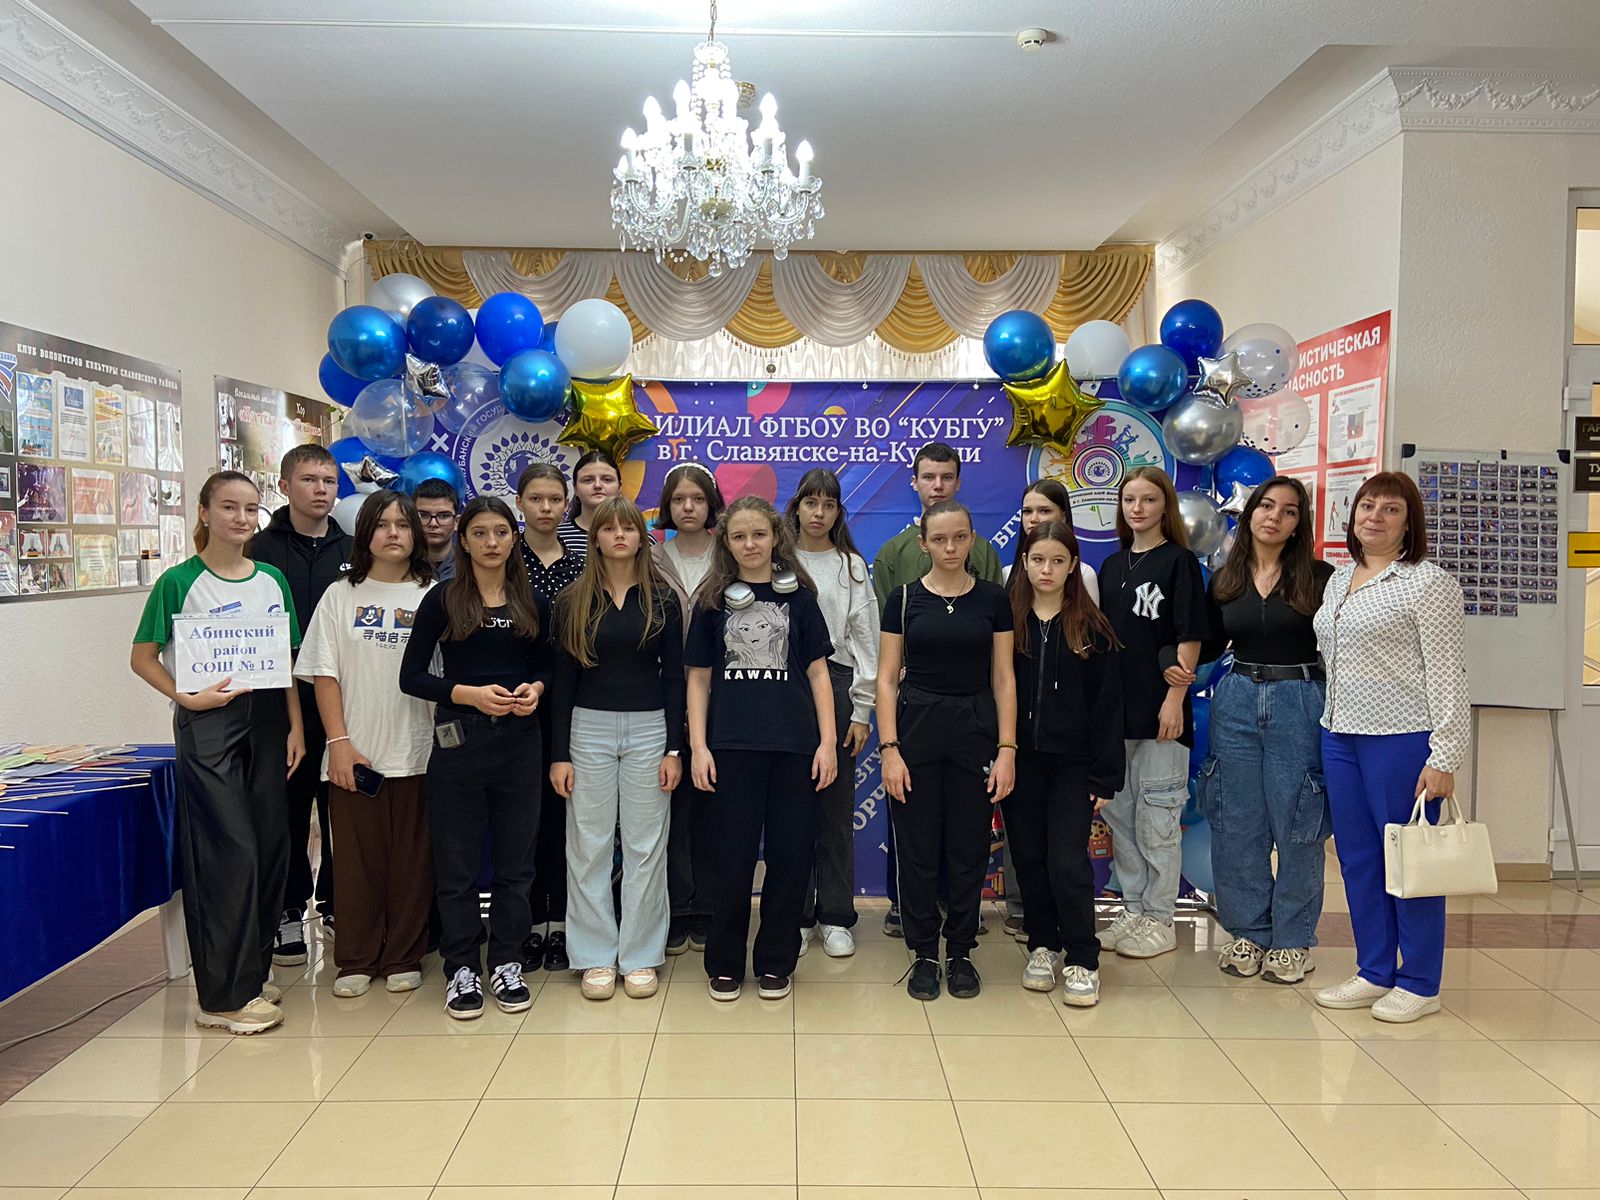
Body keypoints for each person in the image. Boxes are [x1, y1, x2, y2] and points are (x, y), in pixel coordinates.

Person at [130, 471, 305, 1034]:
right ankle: (223, 998)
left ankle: (250, 972)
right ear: (205, 512)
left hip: (268, 720)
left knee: (271, 846)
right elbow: (142, 657)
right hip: (209, 722)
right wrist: (184, 696)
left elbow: (287, 662)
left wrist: (296, 727)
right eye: (229, 507)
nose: (241, 518)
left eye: (251, 508)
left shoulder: (272, 580)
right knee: (227, 851)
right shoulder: (178, 582)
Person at [1311, 471, 1469, 1023]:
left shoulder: (1429, 583)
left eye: (1390, 509)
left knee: (1410, 858)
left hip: (1401, 740)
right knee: (1358, 859)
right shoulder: (1339, 579)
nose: (1374, 516)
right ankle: (1374, 969)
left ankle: (1420, 982)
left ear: (1409, 522)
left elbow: (1449, 674)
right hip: (1340, 735)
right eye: (1367, 506)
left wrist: (1444, 756)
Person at [399, 496, 550, 1019]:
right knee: (457, 865)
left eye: (501, 533)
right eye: (480, 533)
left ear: (514, 539)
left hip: (520, 742)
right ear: (463, 541)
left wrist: (535, 689)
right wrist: (468, 694)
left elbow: (547, 668)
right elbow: (412, 677)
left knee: (516, 864)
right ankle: (461, 966)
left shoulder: (533, 601)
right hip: (458, 741)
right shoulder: (442, 599)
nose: (491, 542)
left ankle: (506, 960)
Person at [1181, 477, 1333, 984]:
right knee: (1235, 821)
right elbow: (1203, 645)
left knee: (1299, 823)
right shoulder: (1226, 578)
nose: (1275, 517)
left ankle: (1292, 941)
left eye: (1288, 511)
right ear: (1250, 515)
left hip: (1300, 699)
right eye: (1266, 506)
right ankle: (1249, 933)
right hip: (1238, 698)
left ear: (1298, 524)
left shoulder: (1322, 578)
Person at [686, 496, 837, 1002]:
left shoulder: (801, 600)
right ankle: (725, 962)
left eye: (759, 534)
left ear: (776, 537)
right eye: (739, 536)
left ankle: (776, 961)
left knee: (790, 859)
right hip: (731, 749)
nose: (750, 544)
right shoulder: (711, 602)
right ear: (726, 544)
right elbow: (698, 679)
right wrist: (699, 746)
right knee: (731, 860)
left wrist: (828, 743)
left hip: (795, 749)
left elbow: (819, 674)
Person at [293, 489, 436, 997]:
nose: (393, 533)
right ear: (365, 534)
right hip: (354, 751)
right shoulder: (340, 596)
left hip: (419, 748)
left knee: (412, 862)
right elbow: (323, 673)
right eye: (382, 524)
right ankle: (355, 958)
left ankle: (403, 955)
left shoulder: (433, 594)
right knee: (355, 862)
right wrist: (338, 742)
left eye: (403, 524)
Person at [877, 500, 1017, 1001]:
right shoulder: (903, 599)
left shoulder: (993, 599)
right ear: (924, 544)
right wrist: (889, 749)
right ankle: (923, 953)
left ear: (973, 539)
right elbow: (887, 680)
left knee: (968, 849)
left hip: (975, 729)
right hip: (916, 729)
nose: (950, 548)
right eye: (940, 539)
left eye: (960, 538)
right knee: (917, 850)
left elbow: (1004, 678)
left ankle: (960, 951)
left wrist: (1007, 749)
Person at [550, 497, 684, 1001]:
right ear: (596, 538)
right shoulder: (572, 599)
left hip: (651, 729)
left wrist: (675, 749)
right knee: (589, 845)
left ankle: (641, 954)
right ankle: (593, 955)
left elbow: (674, 678)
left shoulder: (662, 599)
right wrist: (559, 754)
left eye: (629, 528)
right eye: (610, 529)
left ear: (641, 538)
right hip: (588, 730)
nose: (620, 536)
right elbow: (562, 682)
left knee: (646, 845)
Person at [870, 442, 1004, 937]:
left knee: (967, 826)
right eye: (929, 477)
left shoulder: (984, 554)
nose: (938, 485)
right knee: (912, 821)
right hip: (915, 704)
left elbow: (994, 632)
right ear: (915, 483)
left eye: (947, 477)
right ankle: (907, 908)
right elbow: (883, 632)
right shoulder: (893, 553)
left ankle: (960, 909)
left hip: (971, 707)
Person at [1005, 520, 1123, 1006]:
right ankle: (1042, 944)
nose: (1046, 570)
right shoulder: (1007, 623)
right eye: (1038, 560)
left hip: (1074, 766)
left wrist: (1105, 774)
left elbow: (1108, 706)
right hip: (1020, 762)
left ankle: (1082, 956)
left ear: (1073, 565)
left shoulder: (1092, 628)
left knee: (1067, 861)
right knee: (1029, 858)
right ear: (1024, 563)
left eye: (1057, 561)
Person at [1095, 467, 1208, 960]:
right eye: (1129, 500)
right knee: (1122, 819)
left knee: (1157, 820)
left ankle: (1160, 918)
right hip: (1116, 717)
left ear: (1165, 506)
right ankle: (1134, 908)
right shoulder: (1111, 565)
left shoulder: (1179, 562)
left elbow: (1189, 636)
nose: (1137, 508)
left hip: (1162, 715)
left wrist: (1174, 700)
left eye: (1148, 499)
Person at [250, 443, 351, 964]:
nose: (320, 490)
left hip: (342, 702)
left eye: (329, 481)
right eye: (310, 480)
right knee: (286, 810)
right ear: (286, 486)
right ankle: (289, 909)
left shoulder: (354, 550)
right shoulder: (258, 551)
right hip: (280, 704)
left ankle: (336, 902)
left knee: (342, 808)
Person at [786, 468, 878, 958]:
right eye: (811, 503)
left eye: (828, 504)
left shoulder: (851, 567)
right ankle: (797, 916)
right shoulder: (779, 561)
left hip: (839, 685)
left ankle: (836, 915)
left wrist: (862, 710)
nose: (819, 513)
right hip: (786, 687)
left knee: (836, 809)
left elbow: (866, 642)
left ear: (839, 512)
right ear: (796, 507)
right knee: (792, 809)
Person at [650, 462, 727, 954]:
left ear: (711, 504)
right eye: (679, 500)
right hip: (662, 692)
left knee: (715, 804)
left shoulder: (731, 553)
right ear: (667, 506)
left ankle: (711, 906)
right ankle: (677, 906)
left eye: (697, 499)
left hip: (724, 695)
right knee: (672, 806)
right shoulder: (651, 556)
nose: (688, 507)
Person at [515, 463, 586, 974]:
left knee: (565, 818)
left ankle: (560, 923)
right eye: (536, 498)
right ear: (520, 502)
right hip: (513, 704)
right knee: (524, 820)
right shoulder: (503, 558)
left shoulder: (581, 564)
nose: (546, 508)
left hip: (571, 703)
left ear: (566, 504)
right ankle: (526, 923)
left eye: (554, 499)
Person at [1002, 478, 1101, 604]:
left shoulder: (1084, 574)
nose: (1033, 519)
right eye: (1027, 511)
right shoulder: (1007, 573)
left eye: (1044, 511)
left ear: (1063, 516)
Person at [558, 450, 621, 557]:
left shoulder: (640, 538)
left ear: (620, 487)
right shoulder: (555, 537)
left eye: (607, 479)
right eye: (588, 480)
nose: (597, 485)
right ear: (575, 488)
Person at [413, 478, 460, 582]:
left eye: (443, 516)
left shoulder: (472, 567)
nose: (433, 524)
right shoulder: (398, 565)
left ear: (456, 522)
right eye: (423, 515)